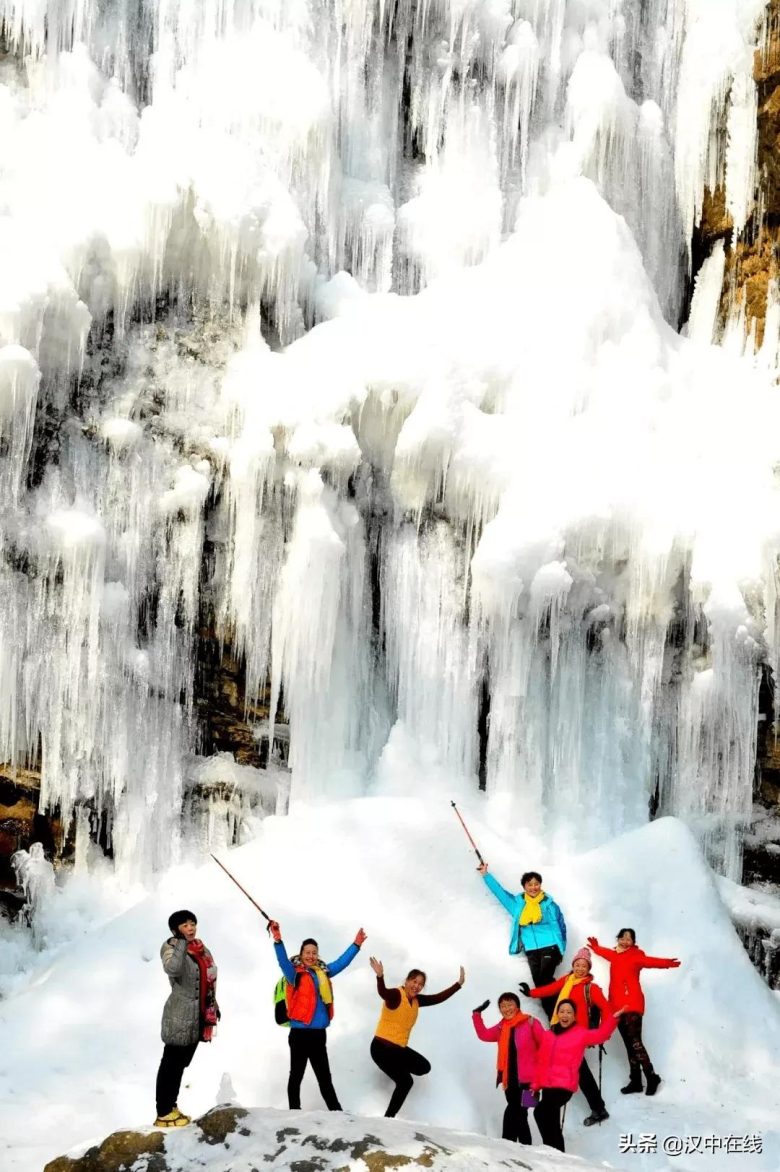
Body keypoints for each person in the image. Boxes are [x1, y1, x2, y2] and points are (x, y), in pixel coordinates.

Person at [269, 919, 365, 1110]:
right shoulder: (293, 974)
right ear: (301, 954)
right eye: (307, 952)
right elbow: (282, 961)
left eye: (314, 952)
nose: (311, 956)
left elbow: (341, 963)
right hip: (299, 1034)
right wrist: (278, 939)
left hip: (318, 1034)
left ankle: (337, 1112)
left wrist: (356, 945)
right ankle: (294, 1112)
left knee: (324, 1077)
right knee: (296, 1075)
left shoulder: (323, 972)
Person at [519, 945, 611, 1126]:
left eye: (584, 966)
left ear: (588, 968)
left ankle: (597, 1108)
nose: (580, 968)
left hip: (576, 1034)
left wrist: (600, 1032)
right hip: (558, 1029)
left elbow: (606, 1009)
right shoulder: (568, 979)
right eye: (578, 964)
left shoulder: (590, 988)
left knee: (580, 1071)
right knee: (555, 1063)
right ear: (573, 965)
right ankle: (594, 1107)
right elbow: (551, 988)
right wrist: (531, 993)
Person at [587, 928, 681, 1096]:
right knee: (629, 1045)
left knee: (636, 1043)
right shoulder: (614, 955)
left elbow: (651, 961)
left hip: (632, 1004)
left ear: (633, 942)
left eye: (628, 939)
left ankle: (652, 1077)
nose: (625, 941)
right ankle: (636, 1081)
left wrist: (667, 963)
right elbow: (604, 952)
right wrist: (595, 947)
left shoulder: (636, 956)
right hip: (617, 1007)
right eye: (622, 938)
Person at [369, 956, 464, 1117]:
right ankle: (389, 1117)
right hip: (381, 1049)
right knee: (406, 1082)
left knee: (424, 1067)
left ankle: (397, 1070)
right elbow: (383, 992)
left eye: (420, 984)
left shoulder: (417, 1001)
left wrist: (458, 984)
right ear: (406, 981)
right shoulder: (395, 995)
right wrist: (380, 976)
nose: (416, 986)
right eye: (414, 981)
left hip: (397, 1050)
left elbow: (437, 998)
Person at [531, 999, 626, 1152]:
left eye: (569, 1012)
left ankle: (549, 1151)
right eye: (562, 1011)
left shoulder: (580, 1034)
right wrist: (535, 1086)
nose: (565, 1015)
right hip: (547, 1086)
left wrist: (613, 1018)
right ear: (557, 1014)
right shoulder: (548, 1035)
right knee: (552, 1120)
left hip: (564, 1086)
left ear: (574, 1016)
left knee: (541, 1112)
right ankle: (558, 1154)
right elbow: (541, 1062)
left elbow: (601, 1035)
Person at [155, 909, 219, 1128]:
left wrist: (213, 1005)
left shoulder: (201, 948)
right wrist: (181, 943)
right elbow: (172, 968)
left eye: (192, 923)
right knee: (171, 1064)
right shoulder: (171, 947)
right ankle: (163, 1111)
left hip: (199, 1014)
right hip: (180, 1015)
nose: (190, 928)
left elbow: (208, 978)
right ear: (176, 930)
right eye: (185, 925)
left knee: (180, 1064)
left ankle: (171, 1107)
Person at [477, 862, 566, 1016]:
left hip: (550, 946)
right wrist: (486, 875)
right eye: (529, 884)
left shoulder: (549, 904)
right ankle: (555, 1019)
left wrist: (561, 947)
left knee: (545, 980)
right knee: (540, 986)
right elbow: (500, 893)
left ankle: (563, 1015)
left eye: (536, 884)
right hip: (531, 950)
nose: (533, 887)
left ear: (540, 885)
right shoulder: (518, 905)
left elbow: (561, 924)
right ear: (524, 886)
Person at [471, 992, 545, 1144]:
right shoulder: (501, 1027)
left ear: (517, 1006)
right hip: (509, 1079)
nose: (507, 1009)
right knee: (517, 1111)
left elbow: (545, 1045)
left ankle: (509, 1143)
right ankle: (520, 1145)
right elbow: (484, 1034)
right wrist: (476, 1015)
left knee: (518, 1110)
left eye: (510, 1004)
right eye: (503, 1006)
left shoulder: (530, 1022)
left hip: (531, 1081)